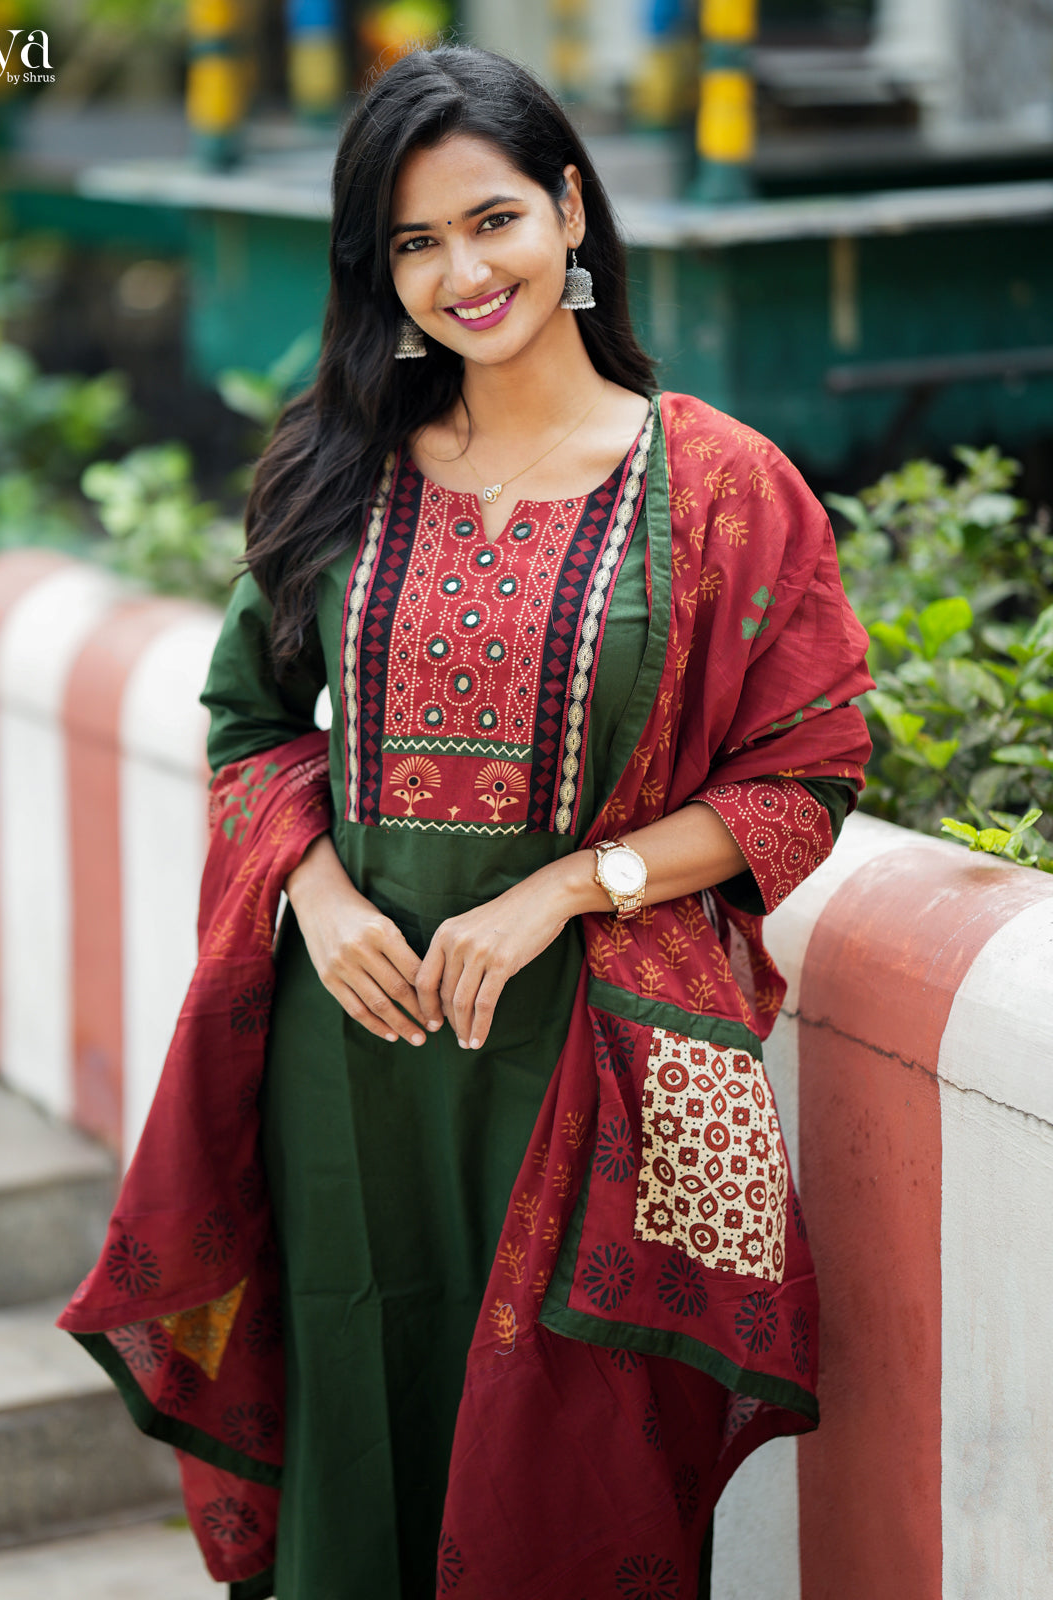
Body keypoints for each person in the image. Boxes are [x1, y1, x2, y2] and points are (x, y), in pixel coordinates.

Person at [59, 43, 874, 1600]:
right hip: (347, 1058)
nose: (460, 273)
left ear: (570, 208)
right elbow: (247, 729)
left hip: (589, 1062)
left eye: (490, 219)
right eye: (414, 245)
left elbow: (806, 776)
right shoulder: (338, 469)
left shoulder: (714, 484)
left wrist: (568, 887)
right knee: (360, 1439)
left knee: (566, 1488)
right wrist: (317, 896)